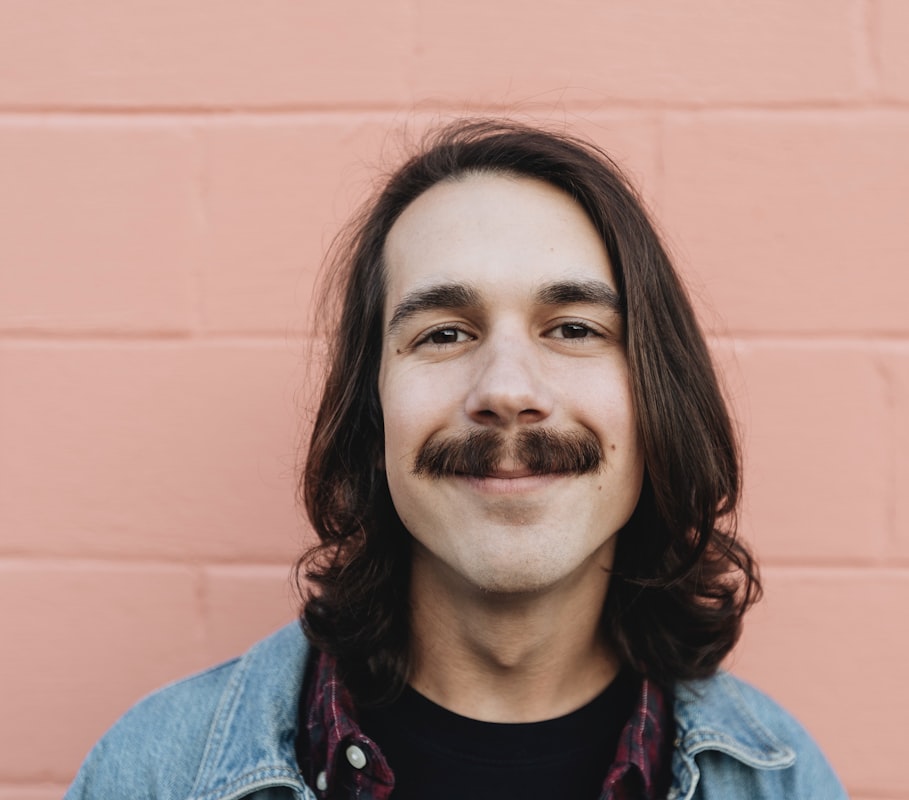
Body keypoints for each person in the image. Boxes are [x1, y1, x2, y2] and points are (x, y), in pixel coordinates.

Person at [67, 119, 846, 799]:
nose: (507, 390)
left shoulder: (778, 780)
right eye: (443, 333)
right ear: (369, 414)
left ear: (656, 399)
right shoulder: (156, 774)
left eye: (573, 328)